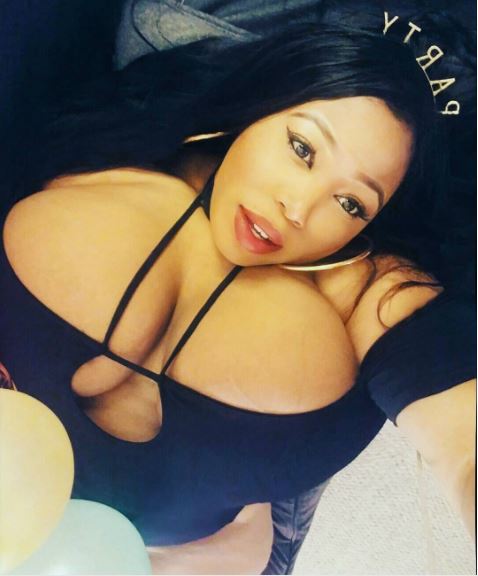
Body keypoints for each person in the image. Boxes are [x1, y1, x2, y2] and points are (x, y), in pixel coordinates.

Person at [0, 13, 475, 576]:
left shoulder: (366, 291)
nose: (297, 208)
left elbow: (464, 443)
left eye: (351, 204)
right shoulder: (114, 142)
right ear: (263, 104)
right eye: (302, 148)